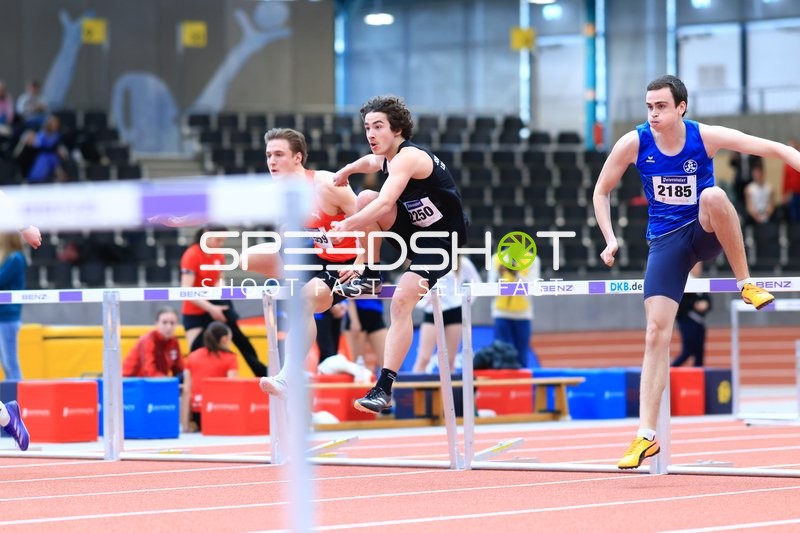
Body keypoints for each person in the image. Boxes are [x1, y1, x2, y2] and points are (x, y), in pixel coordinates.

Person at [593, 74, 799, 470]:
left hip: (704, 229)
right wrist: (609, 238)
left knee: (715, 194)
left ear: (681, 107)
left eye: (661, 107)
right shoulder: (634, 142)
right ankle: (645, 436)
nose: (653, 114)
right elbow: (601, 191)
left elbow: (771, 148)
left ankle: (747, 284)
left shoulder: (704, 136)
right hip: (666, 242)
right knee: (655, 333)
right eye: (649, 106)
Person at [330, 95, 469, 413]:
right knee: (364, 194)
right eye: (367, 127)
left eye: (378, 126)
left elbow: (384, 204)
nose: (371, 134)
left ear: (398, 130)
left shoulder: (410, 157)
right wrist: (347, 170)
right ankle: (370, 275)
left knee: (402, 300)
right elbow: (369, 163)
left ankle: (384, 388)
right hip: (413, 234)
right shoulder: (389, 158)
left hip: (442, 242)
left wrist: (347, 226)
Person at [254, 128, 367, 398]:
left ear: (298, 157)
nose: (271, 161)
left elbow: (369, 220)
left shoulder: (326, 185)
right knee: (250, 257)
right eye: (269, 155)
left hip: (349, 261)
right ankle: (305, 289)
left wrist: (362, 263)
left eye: (279, 154)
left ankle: (289, 375)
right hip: (318, 256)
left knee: (305, 300)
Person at [180, 226, 267, 377]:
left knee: (242, 341)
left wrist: (221, 296)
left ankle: (263, 374)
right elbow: (186, 290)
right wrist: (211, 309)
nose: (220, 244)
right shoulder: (192, 254)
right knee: (196, 353)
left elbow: (220, 280)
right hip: (196, 311)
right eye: (218, 240)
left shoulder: (218, 255)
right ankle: (183, 384)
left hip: (216, 306)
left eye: (222, 241)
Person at [412, 255, 480, 373]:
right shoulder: (428, 259)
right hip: (432, 311)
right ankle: (413, 391)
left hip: (454, 311)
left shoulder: (462, 261)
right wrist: (423, 302)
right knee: (424, 358)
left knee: (450, 361)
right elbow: (412, 286)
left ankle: (449, 392)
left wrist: (465, 302)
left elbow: (477, 282)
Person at [487, 250, 541, 369]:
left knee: (522, 354)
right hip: (501, 312)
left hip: (523, 313)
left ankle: (522, 385)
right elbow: (490, 286)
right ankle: (502, 385)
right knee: (501, 354)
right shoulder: (497, 258)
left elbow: (533, 286)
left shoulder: (532, 259)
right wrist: (500, 274)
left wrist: (516, 273)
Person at [182, 321, 239, 432]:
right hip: (219, 412)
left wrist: (185, 425)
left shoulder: (192, 356)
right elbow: (233, 388)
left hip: (198, 413)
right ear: (224, 339)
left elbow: (186, 390)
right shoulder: (230, 358)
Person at [123, 306, 184, 379]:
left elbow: (179, 369)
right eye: (164, 323)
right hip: (131, 383)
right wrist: (169, 381)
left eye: (172, 323)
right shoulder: (148, 340)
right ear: (156, 323)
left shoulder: (174, 341)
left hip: (155, 382)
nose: (169, 327)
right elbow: (149, 371)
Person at [671, 262, 711, 368]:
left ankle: (698, 379)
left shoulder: (701, 283)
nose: (699, 269)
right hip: (687, 321)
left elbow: (709, 301)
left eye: (700, 266)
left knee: (699, 352)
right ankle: (670, 372)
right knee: (687, 351)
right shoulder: (684, 282)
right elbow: (680, 302)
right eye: (696, 266)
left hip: (699, 322)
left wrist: (706, 305)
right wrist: (695, 304)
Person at [0, 233, 27, 381]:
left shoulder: (15, 258)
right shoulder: (8, 258)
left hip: (7, 317)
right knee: (6, 363)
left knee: (11, 364)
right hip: (3, 316)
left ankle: (19, 400)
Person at [743, 159, 775, 225]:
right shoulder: (748, 189)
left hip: (767, 215)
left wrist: (766, 216)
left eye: (759, 172)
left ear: (763, 172)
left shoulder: (770, 188)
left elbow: (771, 205)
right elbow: (749, 207)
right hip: (754, 217)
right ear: (752, 174)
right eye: (755, 172)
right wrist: (757, 217)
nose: (757, 174)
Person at [782, 139, 800, 223]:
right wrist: (784, 194)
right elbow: (785, 180)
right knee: (793, 216)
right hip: (792, 194)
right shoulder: (787, 165)